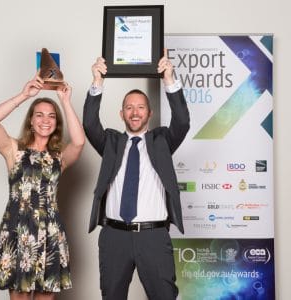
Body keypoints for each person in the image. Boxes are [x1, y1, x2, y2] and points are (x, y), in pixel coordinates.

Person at [83, 51, 190, 300]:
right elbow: (89, 124)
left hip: (153, 236)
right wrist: (98, 80)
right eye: (129, 108)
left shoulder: (162, 141)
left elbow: (182, 122)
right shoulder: (111, 142)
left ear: (149, 114)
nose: (134, 112)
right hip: (114, 237)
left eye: (141, 108)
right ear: (121, 114)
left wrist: (169, 79)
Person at [0, 74, 85, 300]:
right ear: (31, 120)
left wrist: (65, 102)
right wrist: (24, 95)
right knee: (19, 296)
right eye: (39, 115)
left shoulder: (59, 157)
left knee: (45, 296)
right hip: (17, 229)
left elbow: (78, 142)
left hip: (50, 231)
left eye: (51, 116)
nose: (45, 120)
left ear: (56, 123)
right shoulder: (14, 150)